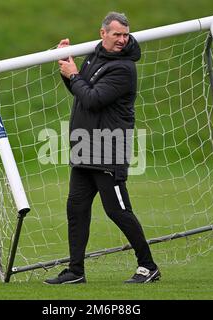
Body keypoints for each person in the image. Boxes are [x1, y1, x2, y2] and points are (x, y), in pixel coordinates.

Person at [44, 12, 160, 284]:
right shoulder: (95, 55)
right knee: (76, 208)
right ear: (103, 33)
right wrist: (68, 65)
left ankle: (148, 266)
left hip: (109, 149)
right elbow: (79, 90)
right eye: (116, 34)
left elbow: (93, 99)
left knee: (117, 210)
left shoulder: (124, 68)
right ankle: (76, 271)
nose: (122, 40)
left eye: (125, 35)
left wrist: (74, 75)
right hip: (84, 147)